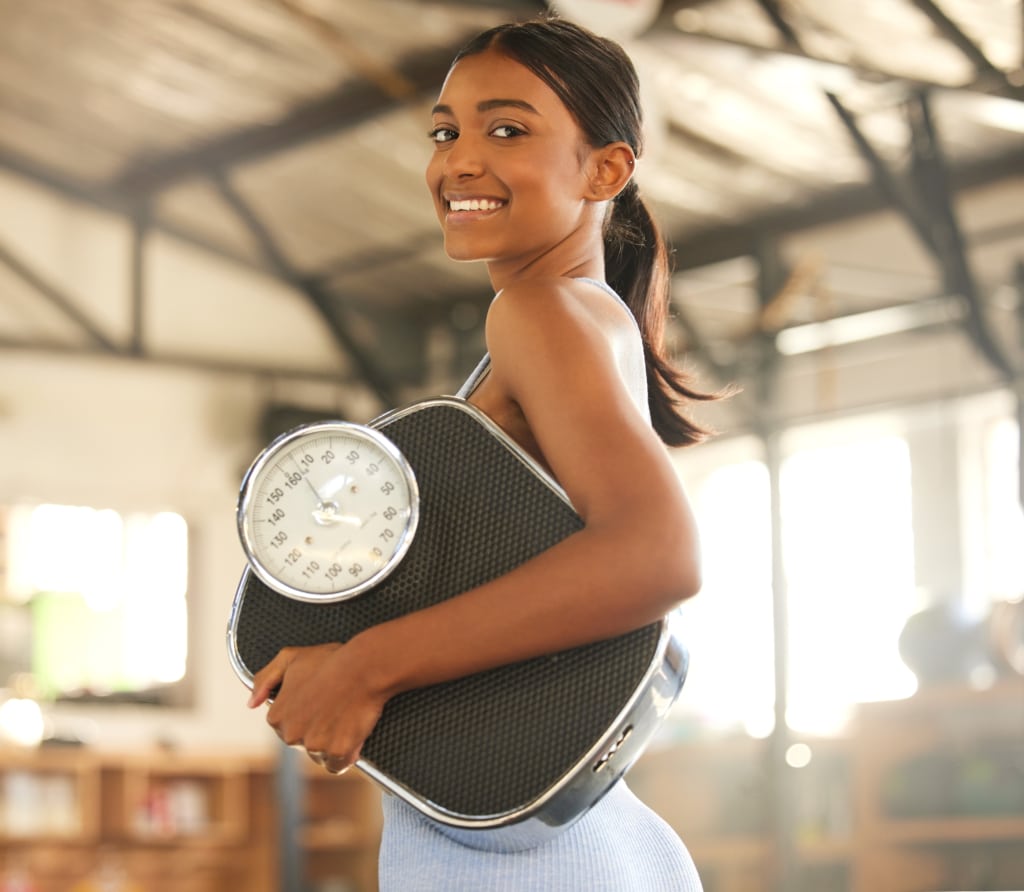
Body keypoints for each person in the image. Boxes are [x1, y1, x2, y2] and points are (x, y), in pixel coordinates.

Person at [248, 16, 716, 891]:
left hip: (534, 864)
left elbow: (657, 554)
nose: (459, 159)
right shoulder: (583, 316)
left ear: (605, 169)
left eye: (507, 129)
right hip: (581, 845)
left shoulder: (538, 312)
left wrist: (364, 667)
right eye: (444, 131)